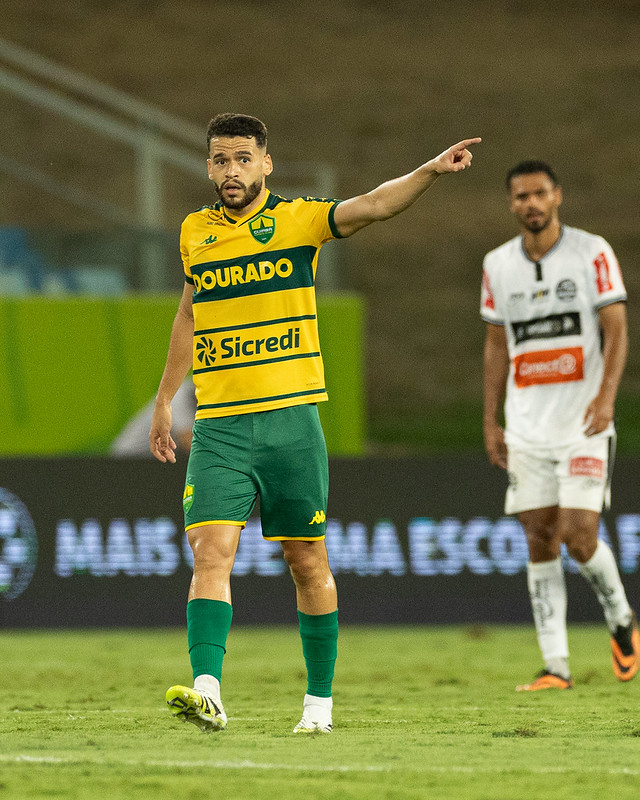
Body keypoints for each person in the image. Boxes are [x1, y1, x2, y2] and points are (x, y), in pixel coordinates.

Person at [150, 112, 480, 733]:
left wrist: (430, 172)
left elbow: (376, 205)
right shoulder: (195, 231)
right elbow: (188, 316)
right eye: (220, 160)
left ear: (266, 164)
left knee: (308, 560)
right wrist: (167, 398)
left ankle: (319, 707)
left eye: (242, 159)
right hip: (219, 423)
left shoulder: (299, 220)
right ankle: (208, 690)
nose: (230, 171)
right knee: (210, 552)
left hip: (291, 420)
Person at [481, 160, 639, 691]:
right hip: (526, 427)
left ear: (557, 197)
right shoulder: (497, 264)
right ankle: (557, 667)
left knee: (577, 534)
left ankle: (619, 615)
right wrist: (492, 418)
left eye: (539, 194)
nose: (531, 203)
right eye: (521, 196)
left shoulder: (591, 252)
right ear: (511, 203)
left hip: (583, 423)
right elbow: (498, 344)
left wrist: (606, 398)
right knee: (539, 537)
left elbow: (615, 328)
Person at [111, 379, 196, 457]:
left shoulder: (203, 399)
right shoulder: (179, 394)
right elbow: (189, 442)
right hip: (127, 460)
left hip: (155, 461)